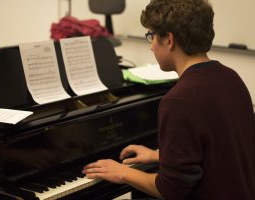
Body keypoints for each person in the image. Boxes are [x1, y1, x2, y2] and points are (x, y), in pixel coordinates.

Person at [82, 0, 255, 199]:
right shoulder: (231, 78)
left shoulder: (179, 101)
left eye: (151, 36)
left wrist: (123, 172)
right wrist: (158, 155)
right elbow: (217, 152)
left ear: (169, 40)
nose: (151, 46)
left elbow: (170, 190)